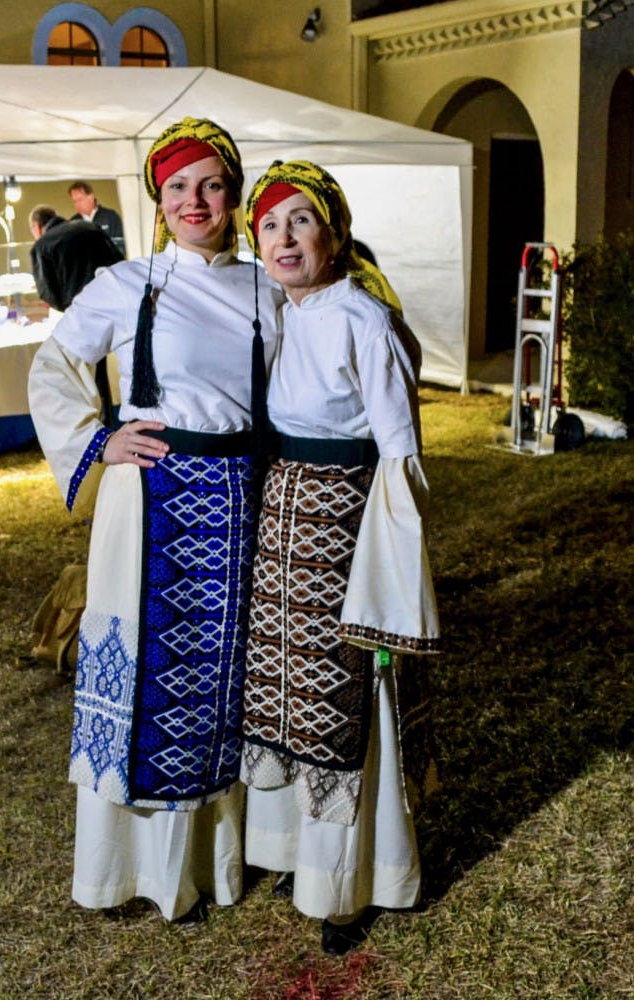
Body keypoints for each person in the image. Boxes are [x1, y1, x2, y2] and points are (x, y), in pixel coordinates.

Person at [28, 118, 281, 922]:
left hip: (241, 504)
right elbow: (54, 364)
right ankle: (138, 872)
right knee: (146, 678)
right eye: (177, 187)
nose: (194, 201)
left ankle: (216, 863)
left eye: (211, 184)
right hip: (151, 502)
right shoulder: (129, 283)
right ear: (158, 200)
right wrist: (99, 441)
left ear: (233, 194)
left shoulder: (268, 289)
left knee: (226, 683)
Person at [239, 160, 439, 956]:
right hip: (283, 530)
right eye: (270, 224)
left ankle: (350, 884)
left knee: (343, 700)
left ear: (335, 233)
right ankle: (297, 854)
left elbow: (399, 453)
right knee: (287, 699)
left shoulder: (364, 318)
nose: (284, 238)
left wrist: (387, 569)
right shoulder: (283, 315)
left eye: (301, 220)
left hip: (345, 531)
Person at [29, 205, 123, 314]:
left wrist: (71, 310)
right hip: (113, 299)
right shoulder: (90, 226)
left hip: (83, 310)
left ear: (36, 226)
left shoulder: (42, 246)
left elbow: (48, 294)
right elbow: (118, 260)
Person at [68, 180, 126, 252]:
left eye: (80, 200)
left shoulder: (111, 216)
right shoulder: (72, 223)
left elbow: (120, 246)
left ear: (91, 197)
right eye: (74, 201)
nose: (77, 204)